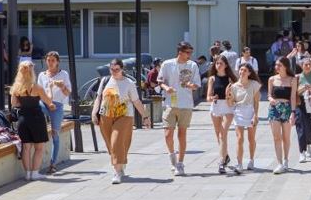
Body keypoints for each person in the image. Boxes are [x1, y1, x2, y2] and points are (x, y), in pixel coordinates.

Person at [91, 58, 149, 184]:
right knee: (110, 145)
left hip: (124, 116)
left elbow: (136, 101)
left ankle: (117, 173)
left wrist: (145, 117)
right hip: (105, 116)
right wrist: (94, 112)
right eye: (112, 69)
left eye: (117, 69)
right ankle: (120, 164)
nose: (114, 72)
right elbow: (99, 98)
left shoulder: (129, 83)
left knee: (116, 141)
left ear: (122, 69)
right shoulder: (105, 80)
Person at [159, 42, 201, 176]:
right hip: (170, 103)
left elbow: (197, 85)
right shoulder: (167, 64)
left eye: (190, 52)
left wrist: (191, 85)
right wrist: (167, 88)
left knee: (182, 134)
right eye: (187, 52)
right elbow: (160, 81)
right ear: (180, 52)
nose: (190, 55)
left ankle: (180, 163)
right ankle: (172, 157)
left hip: (186, 104)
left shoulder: (192, 65)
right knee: (167, 134)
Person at [11, 61, 53, 181]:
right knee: (39, 147)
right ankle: (35, 173)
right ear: (31, 71)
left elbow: (15, 104)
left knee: (26, 147)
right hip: (37, 118)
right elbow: (48, 101)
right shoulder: (36, 87)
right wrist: (49, 88)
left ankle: (28, 174)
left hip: (23, 119)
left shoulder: (16, 88)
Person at [36, 51, 71, 175]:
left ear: (57, 62)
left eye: (53, 60)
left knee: (55, 135)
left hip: (57, 105)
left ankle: (53, 164)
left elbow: (67, 93)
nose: (50, 63)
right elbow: (39, 92)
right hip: (43, 104)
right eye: (48, 60)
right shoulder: (42, 75)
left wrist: (62, 87)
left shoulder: (63, 74)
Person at [206, 56, 237, 174]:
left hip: (228, 107)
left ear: (226, 65)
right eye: (217, 63)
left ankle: (221, 162)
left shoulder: (230, 79)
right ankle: (226, 156)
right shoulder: (212, 79)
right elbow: (208, 97)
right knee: (218, 135)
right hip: (216, 106)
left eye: (221, 63)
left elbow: (236, 95)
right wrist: (212, 97)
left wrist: (230, 95)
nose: (218, 65)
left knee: (223, 134)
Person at [227, 63, 260, 173]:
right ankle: (239, 164)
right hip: (239, 111)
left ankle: (251, 160)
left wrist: (256, 115)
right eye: (241, 70)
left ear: (249, 73)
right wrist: (228, 95)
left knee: (251, 138)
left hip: (250, 110)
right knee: (240, 138)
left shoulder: (254, 84)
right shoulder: (234, 86)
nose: (242, 72)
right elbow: (231, 104)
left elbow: (256, 102)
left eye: (245, 70)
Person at [268, 57, 298, 174]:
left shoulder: (292, 79)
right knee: (276, 137)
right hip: (274, 108)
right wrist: (271, 99)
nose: (277, 67)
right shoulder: (272, 79)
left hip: (286, 108)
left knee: (286, 137)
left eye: (279, 65)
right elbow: (269, 95)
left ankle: (286, 160)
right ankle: (279, 163)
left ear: (285, 66)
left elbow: (293, 97)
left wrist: (293, 112)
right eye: (276, 65)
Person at [295, 56, 311, 163]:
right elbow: (295, 92)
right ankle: (302, 152)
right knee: (301, 128)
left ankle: (308, 144)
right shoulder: (297, 78)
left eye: (309, 64)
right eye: (306, 64)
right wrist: (303, 88)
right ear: (301, 66)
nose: (308, 66)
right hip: (300, 104)